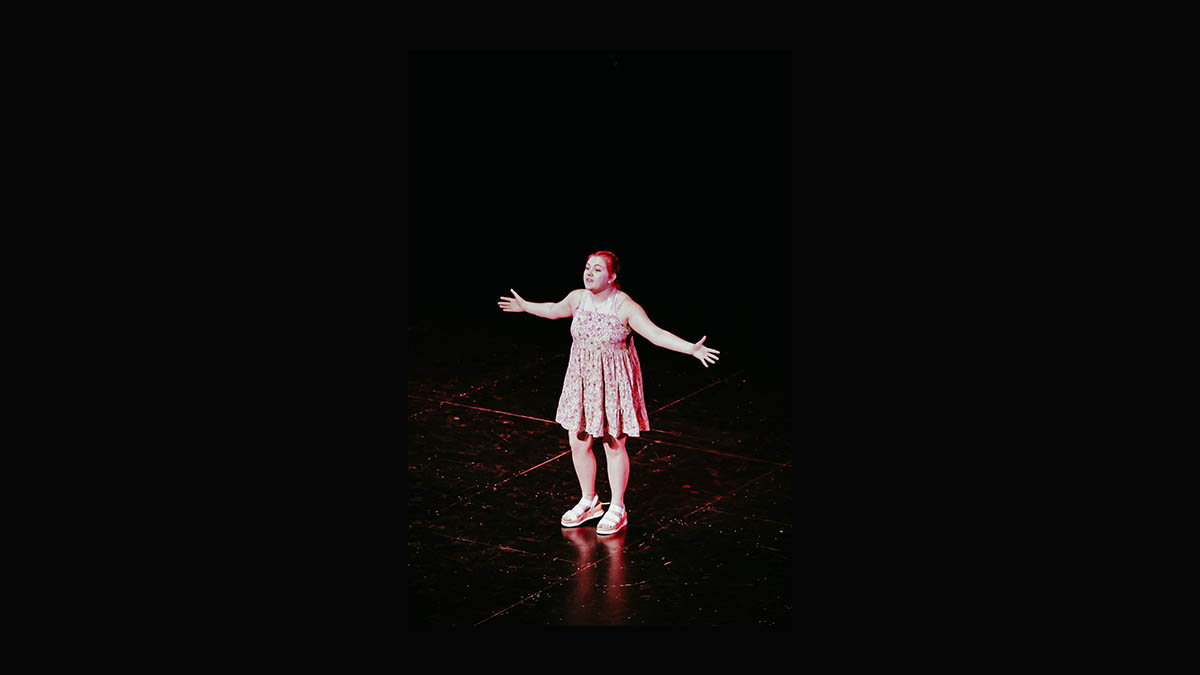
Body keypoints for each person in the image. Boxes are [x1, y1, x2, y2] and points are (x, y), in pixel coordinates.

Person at [497, 250, 721, 535]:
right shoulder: (578, 298)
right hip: (581, 380)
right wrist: (526, 306)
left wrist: (691, 348)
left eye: (597, 269)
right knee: (578, 442)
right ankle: (589, 501)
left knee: (612, 443)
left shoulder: (624, 306)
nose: (589, 273)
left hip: (614, 383)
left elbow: (655, 335)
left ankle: (617, 507)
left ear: (612, 276)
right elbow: (554, 309)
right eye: (587, 268)